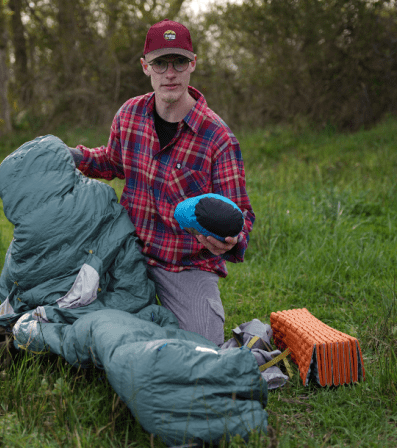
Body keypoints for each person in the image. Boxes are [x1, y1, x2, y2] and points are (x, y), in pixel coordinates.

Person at [68, 19, 255, 346]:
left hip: (184, 264)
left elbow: (240, 214)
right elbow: (112, 161)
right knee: (90, 328)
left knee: (203, 350)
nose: (170, 73)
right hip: (128, 250)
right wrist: (69, 155)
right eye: (160, 63)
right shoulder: (129, 115)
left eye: (179, 62)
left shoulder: (219, 139)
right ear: (145, 67)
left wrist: (231, 239)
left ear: (192, 64)